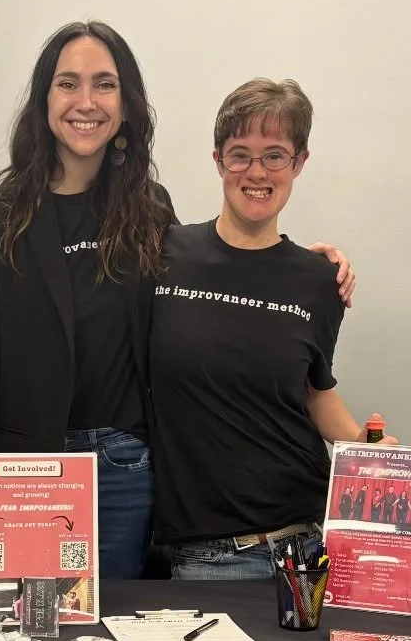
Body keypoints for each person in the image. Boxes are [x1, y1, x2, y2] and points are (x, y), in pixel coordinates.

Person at [0, 21, 354, 581]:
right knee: (30, 638)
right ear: (44, 100)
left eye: (105, 84)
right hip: (26, 472)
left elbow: (218, 278)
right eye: (68, 83)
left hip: (126, 466)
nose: (86, 102)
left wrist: (307, 267)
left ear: (127, 105)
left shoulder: (147, 209)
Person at [147, 78, 395, 581]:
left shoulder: (320, 281)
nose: (256, 172)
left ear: (299, 163)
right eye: (240, 154)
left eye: (275, 155)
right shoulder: (161, 255)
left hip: (307, 544)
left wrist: (367, 453)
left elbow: (312, 391)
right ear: (218, 161)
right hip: (206, 553)